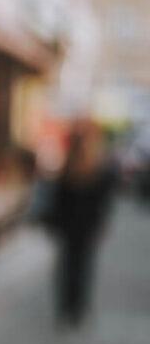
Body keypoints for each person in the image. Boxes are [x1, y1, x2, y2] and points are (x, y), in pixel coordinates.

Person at [48, 119, 115, 327]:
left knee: (69, 265)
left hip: (70, 226)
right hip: (84, 226)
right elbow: (102, 203)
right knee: (83, 265)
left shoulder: (71, 166)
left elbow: (59, 199)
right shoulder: (97, 168)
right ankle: (77, 306)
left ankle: (68, 305)